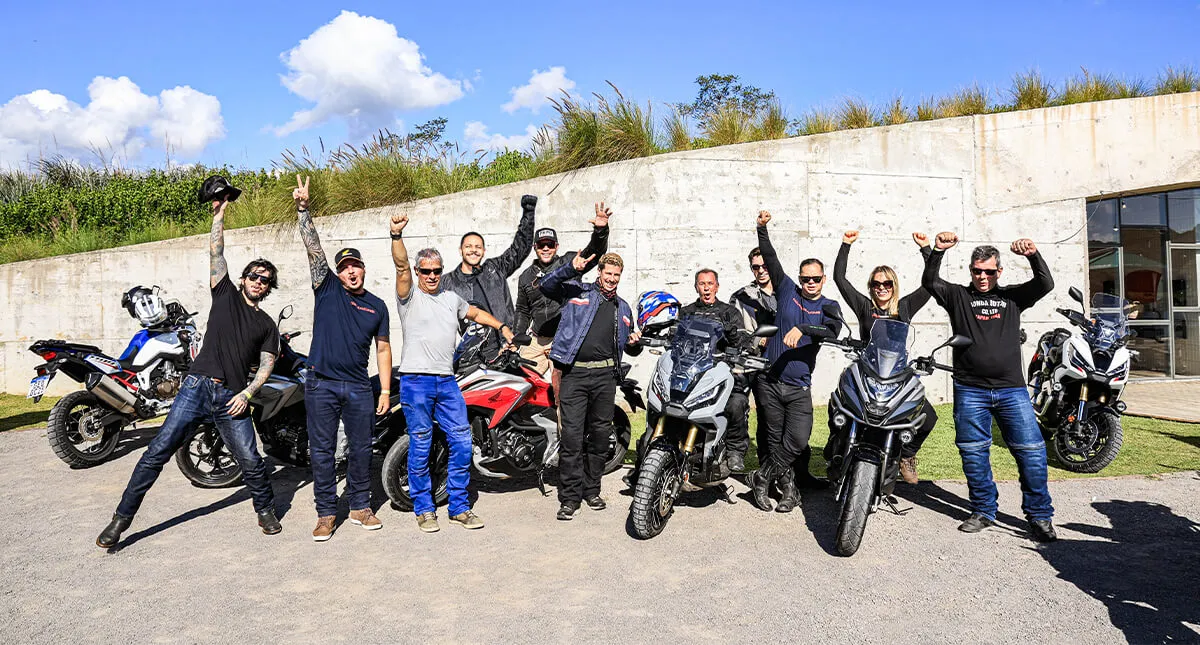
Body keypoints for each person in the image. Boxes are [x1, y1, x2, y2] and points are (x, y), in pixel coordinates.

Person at [97, 177, 281, 548]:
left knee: (250, 459)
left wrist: (247, 392)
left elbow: (266, 365)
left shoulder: (266, 324)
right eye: (254, 276)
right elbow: (216, 254)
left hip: (232, 397)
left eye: (265, 279)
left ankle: (265, 510)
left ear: (269, 287)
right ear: (243, 278)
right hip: (196, 388)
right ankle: (120, 521)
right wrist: (219, 215)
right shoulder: (225, 293)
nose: (259, 281)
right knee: (156, 454)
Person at [922, 231, 1057, 542]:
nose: (982, 277)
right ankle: (983, 510)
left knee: (1032, 454)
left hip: (1012, 390)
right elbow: (930, 282)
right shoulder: (958, 296)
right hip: (970, 390)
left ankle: (1039, 517)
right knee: (973, 453)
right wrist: (938, 251)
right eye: (977, 271)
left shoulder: (1012, 298)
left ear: (999, 272)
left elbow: (1045, 284)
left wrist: (1033, 254)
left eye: (989, 271)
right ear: (970, 270)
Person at [390, 212, 514, 533]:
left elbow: (473, 312)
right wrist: (396, 236)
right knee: (421, 443)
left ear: (441, 271)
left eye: (436, 271)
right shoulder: (409, 296)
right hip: (416, 381)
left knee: (461, 442)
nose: (431, 276)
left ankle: (458, 507)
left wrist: (500, 325)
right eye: (425, 271)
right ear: (418, 273)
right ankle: (424, 509)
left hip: (446, 381)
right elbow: (401, 266)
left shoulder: (450, 298)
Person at [293, 175, 392, 542]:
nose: (351, 270)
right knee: (321, 451)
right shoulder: (327, 288)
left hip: (359, 387)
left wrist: (383, 390)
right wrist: (304, 211)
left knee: (362, 448)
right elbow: (313, 249)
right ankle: (325, 513)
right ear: (337, 272)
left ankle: (360, 506)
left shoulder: (377, 306)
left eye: (356, 265)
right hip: (321, 383)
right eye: (345, 266)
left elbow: (383, 348)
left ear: (364, 268)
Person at [747, 210, 842, 514]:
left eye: (816, 278)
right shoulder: (788, 290)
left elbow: (831, 331)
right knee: (774, 439)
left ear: (823, 279)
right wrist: (762, 229)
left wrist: (802, 329)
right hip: (770, 381)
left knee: (798, 439)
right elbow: (771, 258)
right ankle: (789, 491)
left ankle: (761, 477)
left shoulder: (829, 305)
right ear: (799, 279)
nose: (810, 282)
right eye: (806, 278)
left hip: (799, 385)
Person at [539, 250, 642, 521]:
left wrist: (635, 342)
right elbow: (547, 285)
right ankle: (570, 498)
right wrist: (570, 268)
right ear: (599, 273)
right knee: (571, 439)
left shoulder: (624, 307)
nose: (611, 279)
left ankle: (592, 490)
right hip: (574, 375)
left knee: (599, 439)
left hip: (605, 379)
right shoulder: (577, 292)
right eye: (607, 273)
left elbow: (631, 349)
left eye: (616, 275)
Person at [832, 229, 936, 484]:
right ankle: (836, 450)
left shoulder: (905, 307)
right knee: (839, 401)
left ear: (894, 285)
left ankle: (906, 455)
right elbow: (839, 278)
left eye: (886, 283)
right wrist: (846, 244)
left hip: (897, 374)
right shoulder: (864, 306)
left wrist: (927, 250)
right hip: (867, 370)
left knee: (929, 416)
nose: (881, 288)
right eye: (876, 284)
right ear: (871, 287)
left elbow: (931, 285)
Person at [514, 203, 611, 376]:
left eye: (550, 244)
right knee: (522, 384)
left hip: (564, 340)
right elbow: (522, 310)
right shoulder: (526, 277)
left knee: (563, 393)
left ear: (556, 246)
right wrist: (517, 337)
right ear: (534, 247)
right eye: (541, 245)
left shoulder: (569, 262)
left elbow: (594, 253)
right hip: (536, 340)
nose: (546, 249)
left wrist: (600, 231)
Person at [679, 269, 750, 472]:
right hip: (690, 375)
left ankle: (735, 451)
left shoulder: (729, 312)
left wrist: (734, 337)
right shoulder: (687, 311)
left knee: (737, 402)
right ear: (696, 286)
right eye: (702, 284)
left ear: (717, 286)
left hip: (719, 373)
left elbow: (743, 343)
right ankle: (649, 455)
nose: (706, 287)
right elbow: (675, 340)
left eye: (710, 283)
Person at [440, 195, 537, 333]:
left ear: (484, 251)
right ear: (460, 250)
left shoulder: (495, 269)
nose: (473, 250)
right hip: (472, 349)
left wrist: (528, 212)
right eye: (468, 246)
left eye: (478, 247)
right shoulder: (447, 282)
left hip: (505, 343)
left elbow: (520, 248)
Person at [731, 248, 777, 468]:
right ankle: (739, 453)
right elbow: (735, 330)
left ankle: (788, 470)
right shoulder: (743, 296)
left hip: (780, 364)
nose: (761, 270)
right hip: (749, 362)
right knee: (736, 404)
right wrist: (756, 342)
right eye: (756, 267)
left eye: (765, 266)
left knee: (776, 420)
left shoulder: (786, 293)